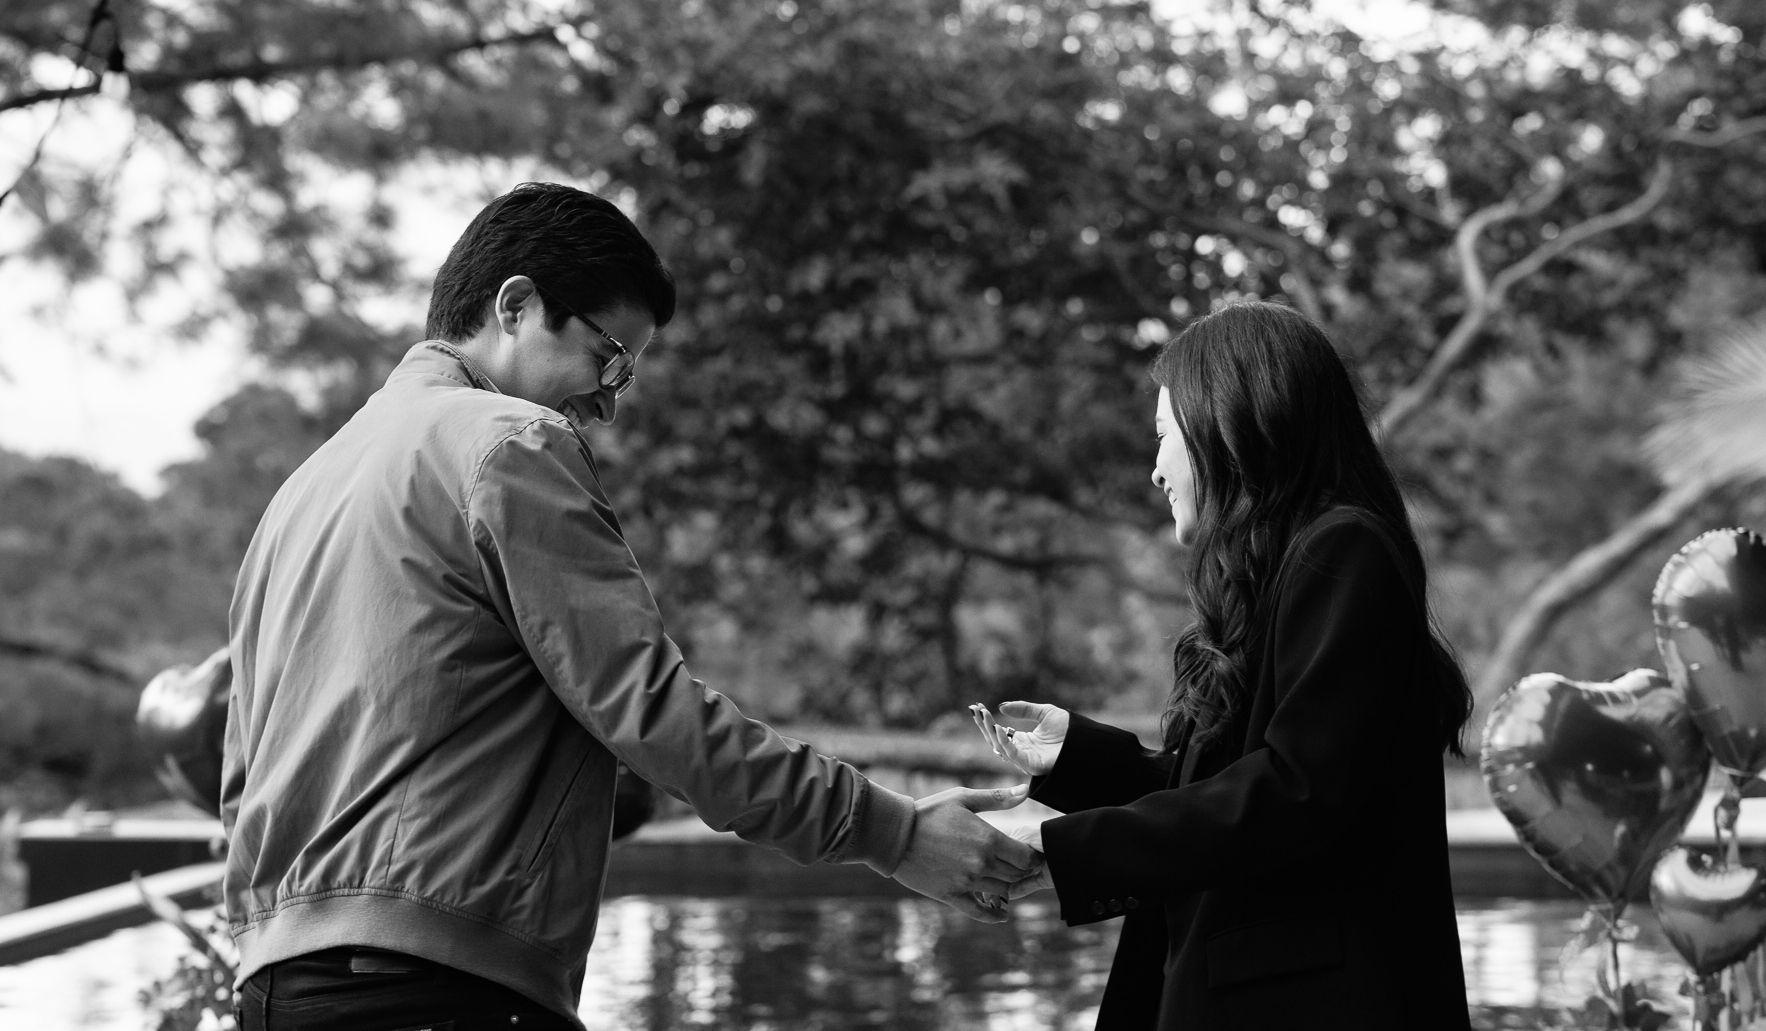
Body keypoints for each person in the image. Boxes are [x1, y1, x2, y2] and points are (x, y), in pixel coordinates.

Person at [222, 182, 1040, 1031]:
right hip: (433, 988)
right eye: (610, 357)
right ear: (516, 305)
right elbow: (652, 712)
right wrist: (891, 832)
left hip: (277, 991)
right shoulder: (508, 443)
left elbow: (242, 770)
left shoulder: (299, 495)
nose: (609, 401)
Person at [973, 300, 1473, 1029]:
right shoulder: (1272, 580)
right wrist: (1077, 755)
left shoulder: (1343, 551)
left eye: (1164, 436)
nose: (1155, 470)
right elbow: (1225, 796)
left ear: (1228, 425)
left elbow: (1296, 795)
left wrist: (1063, 849)